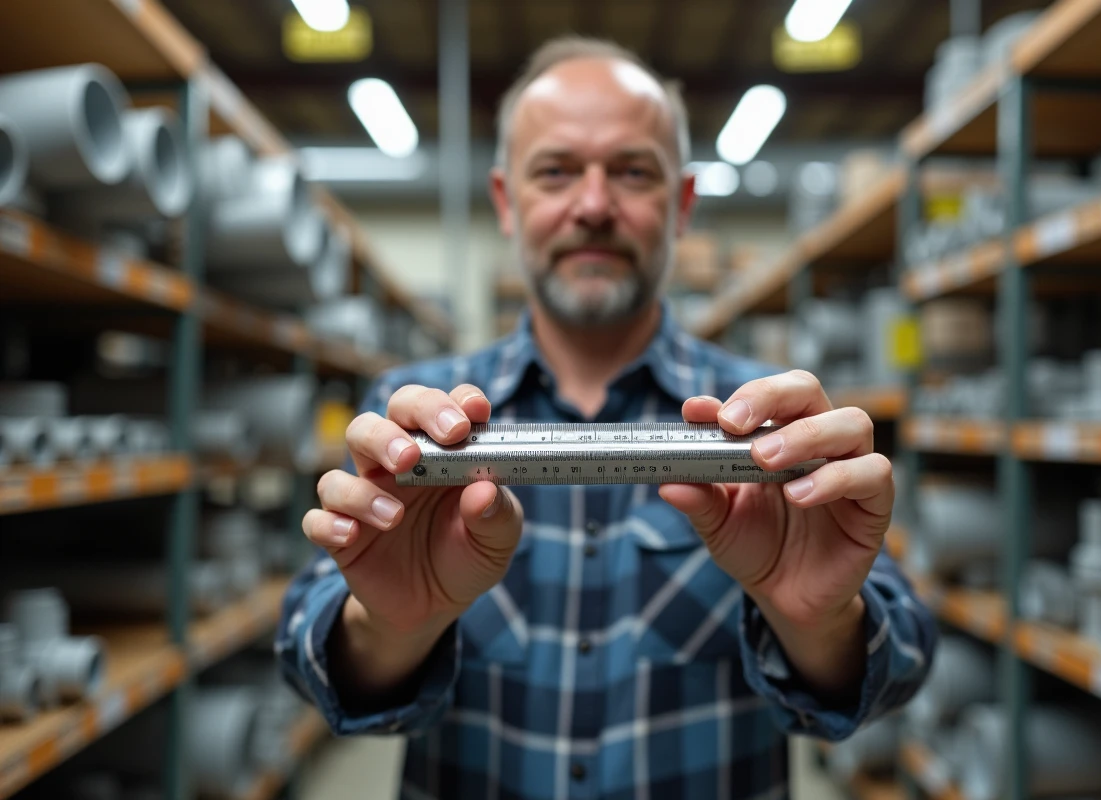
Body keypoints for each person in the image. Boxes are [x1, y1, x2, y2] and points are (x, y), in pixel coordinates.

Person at [277, 36, 936, 800]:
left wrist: (822, 625)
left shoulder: (774, 424)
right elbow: (301, 646)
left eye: (632, 172)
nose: (593, 206)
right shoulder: (413, 422)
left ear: (681, 204)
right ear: (506, 202)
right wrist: (387, 630)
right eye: (556, 171)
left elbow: (907, 658)